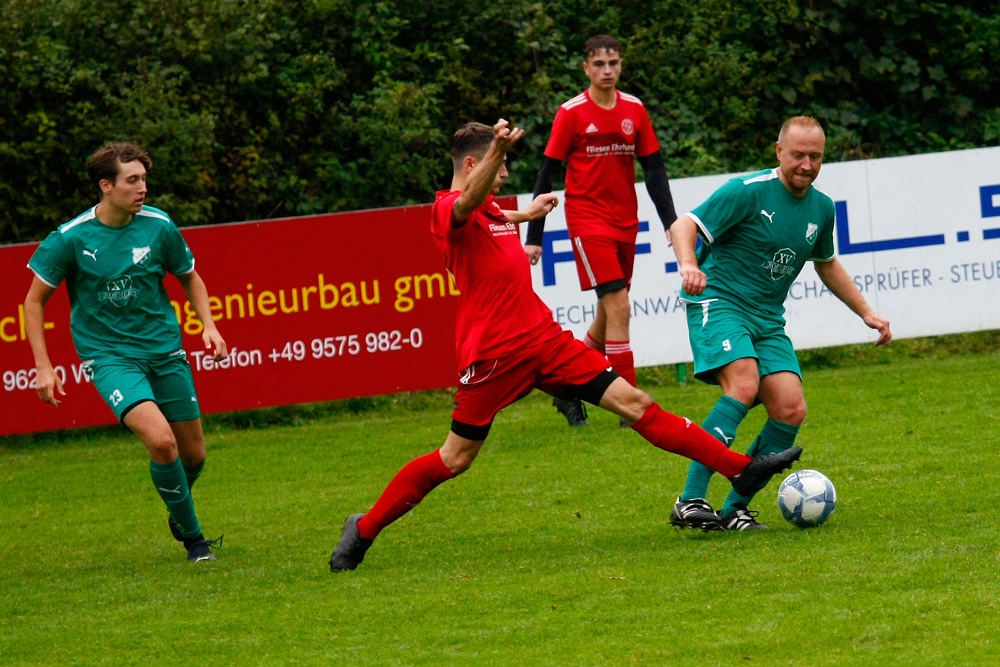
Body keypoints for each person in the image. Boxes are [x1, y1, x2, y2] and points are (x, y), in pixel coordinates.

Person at [329, 120, 802, 572]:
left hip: (545, 341)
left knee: (636, 403)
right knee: (455, 459)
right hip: (495, 356)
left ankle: (740, 470)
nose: (506, 176)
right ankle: (364, 528)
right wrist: (499, 150)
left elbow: (491, 211)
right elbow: (465, 205)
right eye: (499, 168)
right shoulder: (447, 210)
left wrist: (526, 214)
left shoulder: (490, 209)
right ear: (473, 165)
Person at [668, 116, 892, 532]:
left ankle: (735, 509)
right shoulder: (748, 191)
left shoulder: (822, 208)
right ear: (778, 151)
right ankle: (690, 499)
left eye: (816, 156)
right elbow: (683, 224)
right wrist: (687, 263)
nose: (806, 165)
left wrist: (866, 312)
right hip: (720, 302)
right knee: (745, 384)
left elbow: (826, 263)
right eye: (798, 155)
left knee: (790, 408)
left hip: (767, 319)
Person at [24, 141, 227, 562]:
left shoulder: (159, 226)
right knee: (162, 443)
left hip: (165, 352)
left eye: (144, 179)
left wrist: (208, 325)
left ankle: (178, 509)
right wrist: (44, 367)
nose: (142, 188)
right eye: (132, 180)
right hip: (110, 358)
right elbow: (33, 301)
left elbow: (190, 277)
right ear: (106, 185)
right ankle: (196, 542)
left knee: (194, 455)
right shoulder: (70, 238)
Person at [524, 35, 678, 428]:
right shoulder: (571, 113)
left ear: (621, 65)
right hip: (587, 221)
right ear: (586, 68)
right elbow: (548, 173)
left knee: (606, 318)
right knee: (620, 307)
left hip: (626, 221)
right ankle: (632, 406)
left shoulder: (634, 110)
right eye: (599, 64)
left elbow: (654, 169)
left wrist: (670, 223)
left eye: (613, 63)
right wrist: (534, 235)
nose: (607, 70)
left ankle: (565, 389)